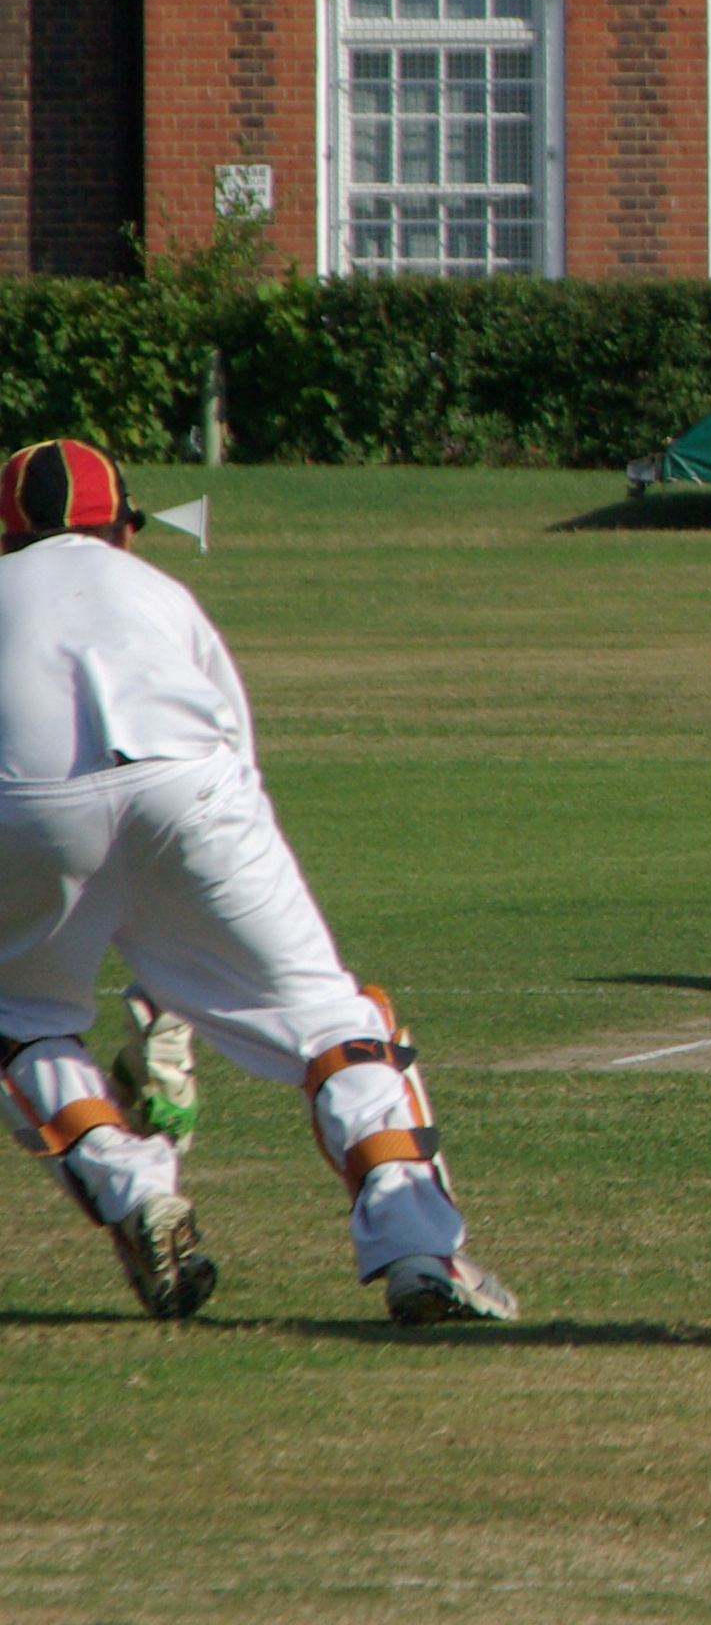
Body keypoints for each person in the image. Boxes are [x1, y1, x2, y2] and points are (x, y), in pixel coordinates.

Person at [0, 438, 514, 1325]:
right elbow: (234, 754)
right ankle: (421, 1254)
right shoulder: (161, 591)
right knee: (332, 1021)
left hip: (25, 804)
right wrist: (171, 991)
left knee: (22, 1024)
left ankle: (133, 1190)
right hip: (194, 792)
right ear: (124, 530)